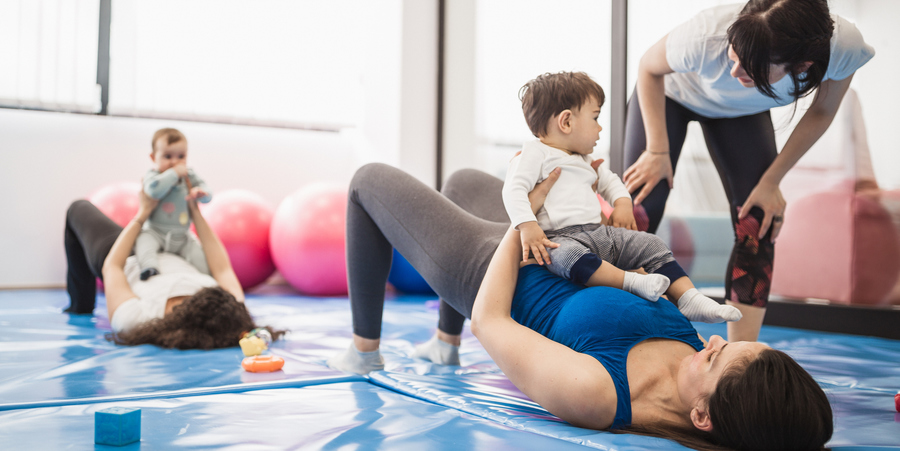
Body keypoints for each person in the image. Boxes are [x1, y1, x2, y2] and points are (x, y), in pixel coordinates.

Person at [329, 163, 832, 451]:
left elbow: (490, 319)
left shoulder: (597, 393)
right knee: (462, 180)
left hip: (491, 273)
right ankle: (444, 343)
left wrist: (526, 217)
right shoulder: (692, 362)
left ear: (702, 416)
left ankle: (363, 352)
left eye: (718, 358)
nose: (716, 341)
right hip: (558, 248)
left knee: (366, 182)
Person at [622, 0, 875, 341]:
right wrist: (657, 150)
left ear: (801, 65)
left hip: (741, 113)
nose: (734, 71)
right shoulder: (704, 35)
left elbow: (821, 112)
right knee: (638, 211)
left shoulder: (843, 47)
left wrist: (772, 181)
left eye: (751, 65)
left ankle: (740, 353)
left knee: (758, 220)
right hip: (670, 96)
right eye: (734, 54)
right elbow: (649, 68)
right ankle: (610, 330)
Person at [504, 71, 741, 324]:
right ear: (566, 122)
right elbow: (513, 190)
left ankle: (689, 297)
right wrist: (527, 226)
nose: (600, 127)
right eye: (595, 118)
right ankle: (632, 282)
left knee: (651, 243)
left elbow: (612, 182)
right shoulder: (533, 154)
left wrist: (623, 204)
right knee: (567, 258)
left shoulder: (583, 159)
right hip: (560, 238)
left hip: (599, 232)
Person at [63, 189, 282, 349]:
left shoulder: (135, 321)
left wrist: (142, 215)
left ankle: (80, 306)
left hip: (129, 258)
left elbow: (113, 266)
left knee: (77, 209)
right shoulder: (229, 309)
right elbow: (222, 269)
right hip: (176, 251)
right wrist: (195, 212)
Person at [136, 128, 212, 281]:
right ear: (153, 157)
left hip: (182, 235)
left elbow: (208, 193)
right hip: (155, 232)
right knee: (143, 243)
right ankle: (150, 267)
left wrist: (201, 193)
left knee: (199, 256)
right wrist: (174, 173)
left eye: (181, 156)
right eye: (167, 156)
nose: (175, 162)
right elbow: (154, 191)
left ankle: (207, 278)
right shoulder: (154, 176)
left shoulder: (188, 175)